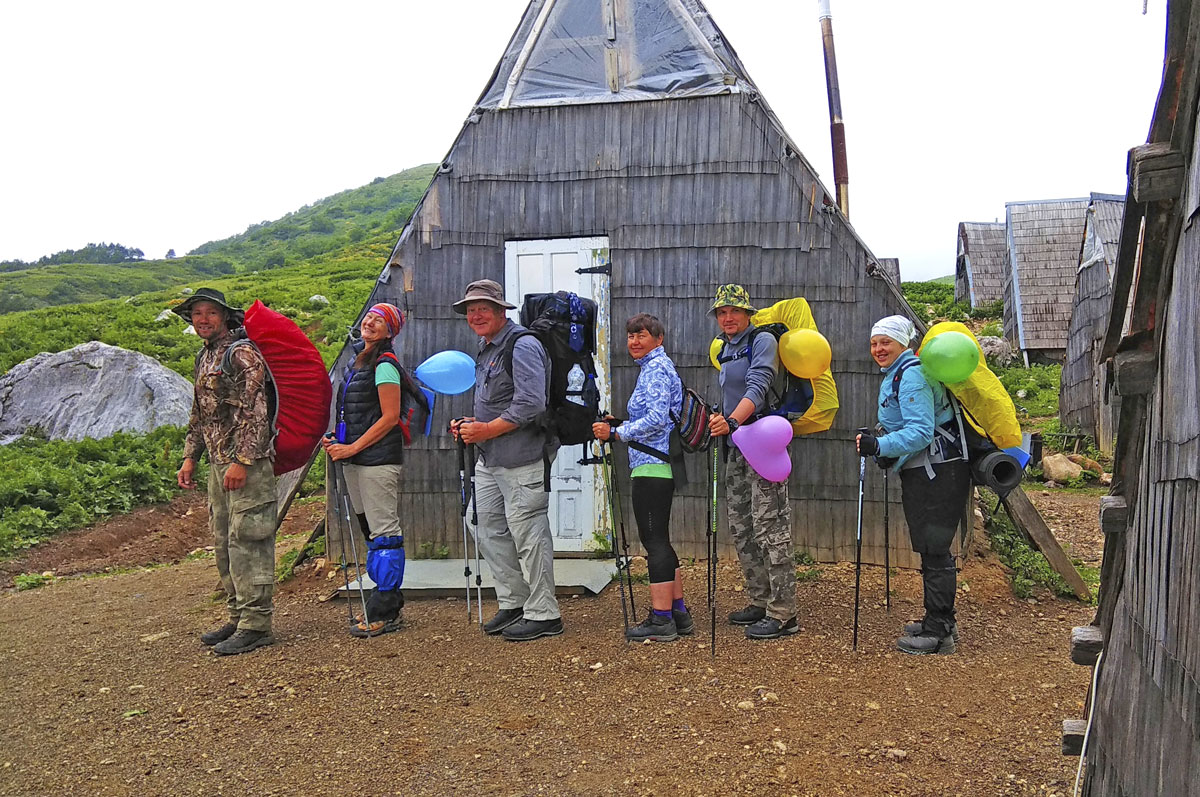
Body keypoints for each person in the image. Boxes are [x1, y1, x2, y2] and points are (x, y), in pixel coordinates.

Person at [449, 279, 564, 642]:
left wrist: (485, 430)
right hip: (491, 457)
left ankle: (544, 613)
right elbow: (498, 402)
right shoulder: (487, 348)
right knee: (481, 522)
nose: (476, 315)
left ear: (501, 310)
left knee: (529, 533)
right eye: (470, 310)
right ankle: (515, 601)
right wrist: (472, 424)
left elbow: (531, 403)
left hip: (523, 456)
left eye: (483, 308)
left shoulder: (523, 345)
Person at [855, 315, 970, 655]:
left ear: (903, 343)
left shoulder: (912, 375)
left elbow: (920, 432)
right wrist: (887, 448)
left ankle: (938, 632)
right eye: (874, 343)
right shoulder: (900, 372)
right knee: (932, 547)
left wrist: (880, 446)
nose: (878, 349)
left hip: (936, 472)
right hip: (934, 469)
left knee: (934, 548)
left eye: (885, 342)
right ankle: (942, 621)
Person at [175, 288, 278, 656]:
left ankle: (256, 624)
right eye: (197, 313)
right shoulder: (204, 356)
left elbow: (257, 412)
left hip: (247, 466)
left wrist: (242, 461)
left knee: (248, 538)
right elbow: (200, 413)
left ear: (224, 317)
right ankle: (238, 615)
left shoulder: (242, 353)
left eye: (210, 313)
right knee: (224, 541)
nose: (203, 319)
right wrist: (191, 457)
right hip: (219, 464)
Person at [592, 313, 692, 643]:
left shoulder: (657, 369)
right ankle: (678, 612)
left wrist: (616, 433)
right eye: (630, 336)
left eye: (642, 335)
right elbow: (654, 418)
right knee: (660, 539)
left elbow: (657, 419)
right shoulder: (654, 367)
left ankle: (661, 619)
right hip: (657, 463)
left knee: (654, 542)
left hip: (653, 466)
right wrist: (620, 423)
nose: (634, 341)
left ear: (658, 339)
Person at [707, 284, 798, 640]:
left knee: (770, 526)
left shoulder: (762, 341)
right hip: (737, 445)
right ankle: (760, 600)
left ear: (748, 313)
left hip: (763, 444)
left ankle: (784, 613)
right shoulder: (725, 347)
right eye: (722, 312)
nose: (728, 317)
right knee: (742, 525)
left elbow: (758, 387)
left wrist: (732, 421)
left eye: (734, 311)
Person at [322, 302, 408, 638]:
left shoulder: (384, 365)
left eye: (380, 320)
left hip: (377, 461)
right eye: (369, 317)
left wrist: (352, 447)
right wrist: (338, 439)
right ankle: (382, 599)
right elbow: (357, 413)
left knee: (385, 534)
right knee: (370, 532)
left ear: (390, 331)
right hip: (356, 459)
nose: (370, 322)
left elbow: (390, 418)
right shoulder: (357, 361)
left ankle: (385, 608)